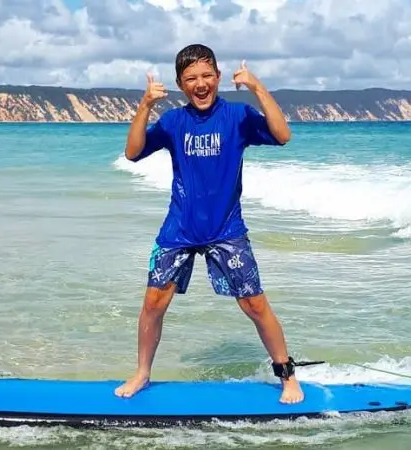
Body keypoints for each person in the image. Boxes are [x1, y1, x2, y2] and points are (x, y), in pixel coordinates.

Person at [115, 44, 303, 404]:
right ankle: (142, 374)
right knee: (153, 303)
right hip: (179, 229)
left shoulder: (238, 117)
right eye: (191, 79)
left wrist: (258, 88)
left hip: (227, 230)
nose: (200, 84)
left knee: (254, 304)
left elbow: (283, 135)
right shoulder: (173, 122)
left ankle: (287, 375)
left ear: (218, 77)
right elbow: (133, 151)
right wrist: (145, 106)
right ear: (180, 85)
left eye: (206, 76)